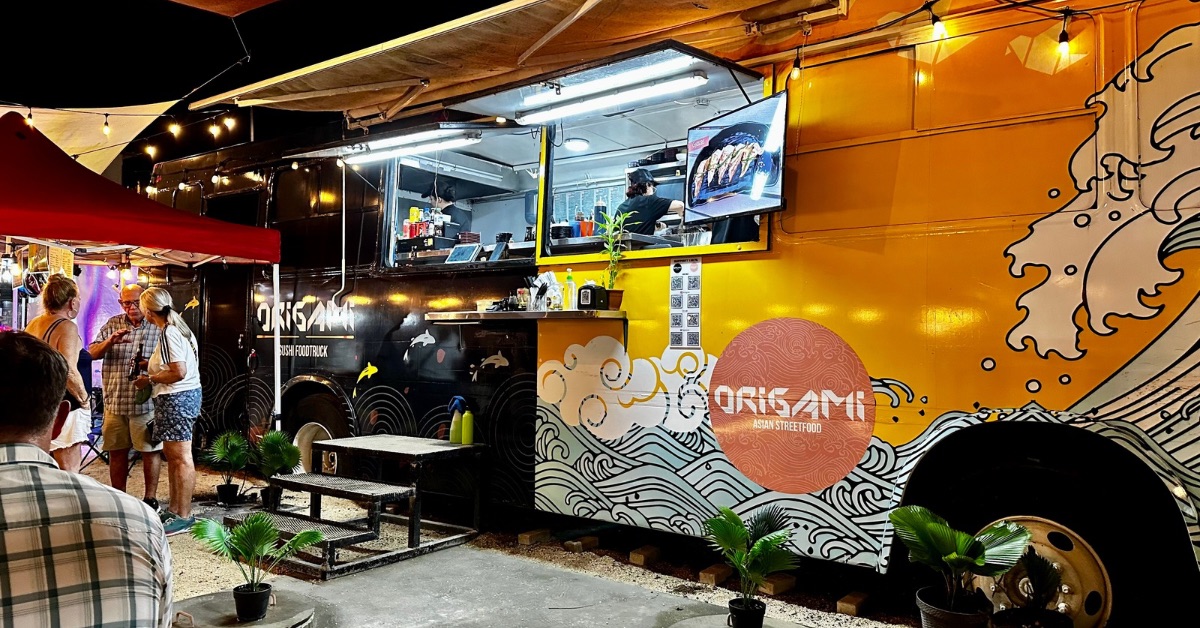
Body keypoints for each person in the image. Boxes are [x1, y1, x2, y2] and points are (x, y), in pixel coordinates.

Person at [0, 330, 173, 626]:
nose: (127, 306)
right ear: (59, 422)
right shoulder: (139, 522)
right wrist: (83, 397)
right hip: (118, 404)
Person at [133, 287, 202, 536]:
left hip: (177, 398)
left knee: (180, 457)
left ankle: (183, 515)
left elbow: (178, 371)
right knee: (175, 458)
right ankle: (175, 510)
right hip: (183, 397)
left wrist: (149, 378)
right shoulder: (179, 328)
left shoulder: (169, 333)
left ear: (148, 312)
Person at [90, 284, 163, 511]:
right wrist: (109, 342)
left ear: (144, 301)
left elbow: (172, 364)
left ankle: (150, 499)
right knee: (116, 451)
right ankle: (119, 498)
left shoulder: (157, 326)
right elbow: (91, 353)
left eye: (134, 302)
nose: (129, 307)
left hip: (145, 402)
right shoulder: (113, 323)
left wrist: (148, 368)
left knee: (149, 450)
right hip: (115, 400)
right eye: (125, 302)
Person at [22, 274, 91, 472]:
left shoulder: (34, 323)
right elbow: (67, 367)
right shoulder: (66, 326)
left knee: (44, 463)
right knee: (69, 468)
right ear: (71, 302)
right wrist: (84, 398)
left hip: (39, 400)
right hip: (65, 402)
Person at [617, 168, 684, 236]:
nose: (653, 192)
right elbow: (680, 205)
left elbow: (637, 227)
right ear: (647, 185)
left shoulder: (621, 207)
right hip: (641, 246)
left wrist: (657, 225)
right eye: (653, 188)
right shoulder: (648, 201)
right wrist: (681, 214)